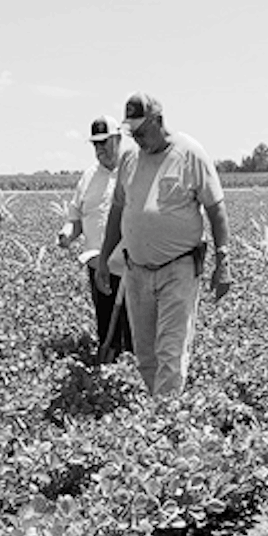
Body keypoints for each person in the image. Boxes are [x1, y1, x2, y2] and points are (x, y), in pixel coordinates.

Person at [96, 91, 231, 402]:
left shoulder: (190, 154)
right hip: (137, 271)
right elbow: (118, 211)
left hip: (179, 268)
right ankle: (161, 415)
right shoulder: (130, 159)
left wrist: (224, 262)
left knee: (170, 351)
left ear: (158, 121)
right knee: (145, 355)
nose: (138, 139)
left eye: (142, 132)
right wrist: (104, 259)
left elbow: (216, 209)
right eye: (132, 133)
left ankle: (164, 425)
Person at [60, 117, 125, 361]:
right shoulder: (88, 178)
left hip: (127, 263)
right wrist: (68, 233)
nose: (100, 149)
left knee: (131, 323)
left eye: (104, 142)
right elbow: (75, 217)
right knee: (105, 319)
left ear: (118, 139)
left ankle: (131, 372)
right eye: (95, 144)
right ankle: (110, 367)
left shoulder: (132, 172)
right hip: (97, 264)